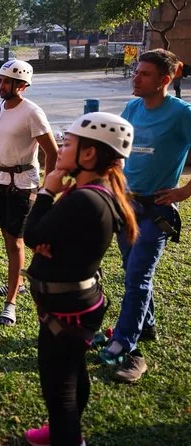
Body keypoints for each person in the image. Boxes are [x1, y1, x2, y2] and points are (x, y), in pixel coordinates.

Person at [22, 112, 137, 446]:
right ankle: (63, 432)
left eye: (68, 143)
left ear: (89, 154)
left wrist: (47, 192)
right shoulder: (92, 192)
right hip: (74, 304)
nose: (60, 148)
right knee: (72, 374)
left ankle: (67, 437)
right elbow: (47, 236)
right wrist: (47, 237)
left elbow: (32, 234)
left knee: (60, 391)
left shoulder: (86, 199)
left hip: (67, 311)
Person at [98, 49, 191, 383]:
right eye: (136, 72)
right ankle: (145, 324)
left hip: (157, 209)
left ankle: (126, 344)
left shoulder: (181, 113)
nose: (135, 78)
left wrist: (183, 192)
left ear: (164, 80)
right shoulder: (132, 108)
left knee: (138, 276)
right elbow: (119, 151)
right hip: (127, 204)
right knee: (131, 270)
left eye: (144, 74)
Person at [0, 60, 58, 326]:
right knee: (8, 236)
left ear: (22, 85)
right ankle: (16, 282)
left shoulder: (32, 112)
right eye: (1, 80)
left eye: (7, 81)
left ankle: (11, 302)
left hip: (23, 184)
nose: (2, 85)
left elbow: (52, 153)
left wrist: (46, 190)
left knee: (16, 241)